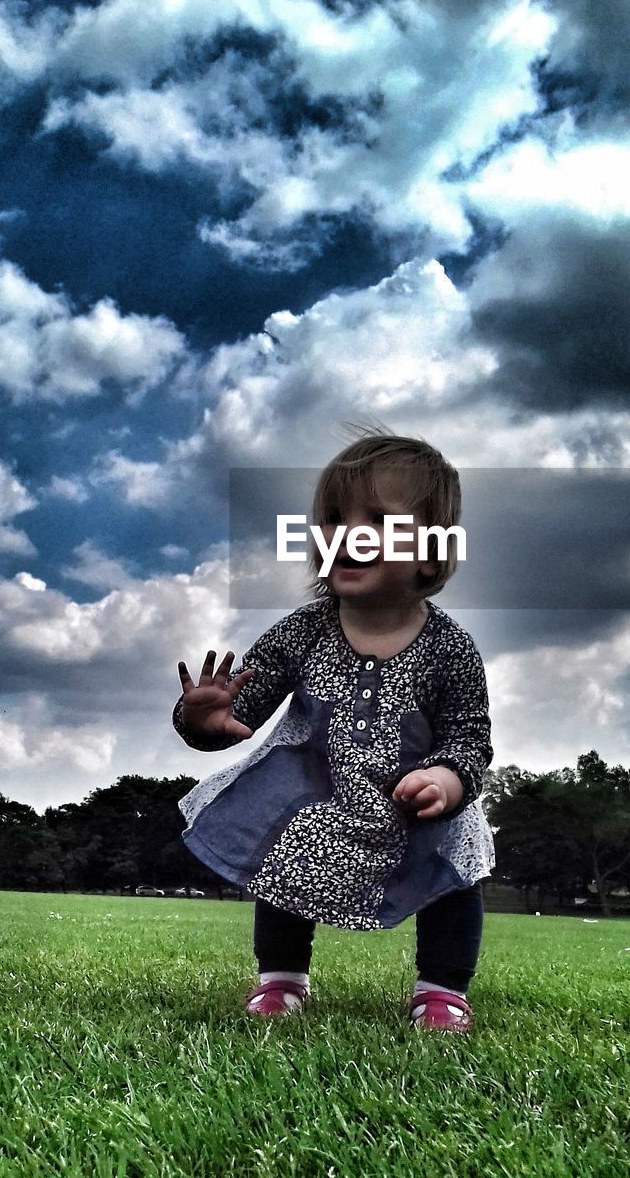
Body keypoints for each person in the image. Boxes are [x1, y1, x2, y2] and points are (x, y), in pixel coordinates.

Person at [173, 430, 495, 1033]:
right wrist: (204, 721)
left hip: (421, 802)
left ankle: (442, 990)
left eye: (376, 519)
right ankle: (281, 978)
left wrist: (448, 779)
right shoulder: (302, 631)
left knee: (453, 874)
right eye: (330, 519)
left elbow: (471, 735)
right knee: (283, 853)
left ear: (430, 553)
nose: (344, 533)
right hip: (321, 790)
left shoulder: (451, 647)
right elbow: (240, 716)